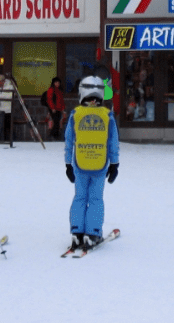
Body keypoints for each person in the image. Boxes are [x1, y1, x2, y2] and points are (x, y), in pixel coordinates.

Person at [65, 76, 119, 251]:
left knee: (80, 197)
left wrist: (68, 163)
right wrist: (114, 164)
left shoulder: (76, 114)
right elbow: (113, 142)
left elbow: (69, 140)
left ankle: (77, 231)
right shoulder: (107, 115)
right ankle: (93, 232)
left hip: (80, 163)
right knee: (96, 199)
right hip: (99, 164)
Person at [43, 77, 67, 141]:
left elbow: (61, 100)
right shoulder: (51, 90)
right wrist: (52, 108)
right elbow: (49, 100)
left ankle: (55, 135)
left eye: (58, 83)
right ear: (53, 83)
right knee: (55, 122)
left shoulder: (59, 90)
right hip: (53, 109)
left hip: (59, 109)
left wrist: (62, 108)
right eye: (56, 82)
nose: (57, 84)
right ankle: (52, 135)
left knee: (57, 122)